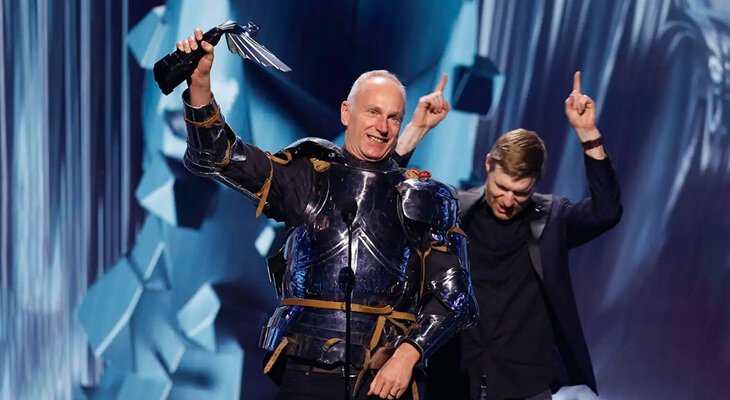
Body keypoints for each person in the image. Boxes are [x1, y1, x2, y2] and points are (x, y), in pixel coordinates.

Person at [176, 28, 478, 400]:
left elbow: (456, 297)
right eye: (373, 112)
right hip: (307, 372)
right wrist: (200, 84)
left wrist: (408, 354)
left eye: (393, 118)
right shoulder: (308, 176)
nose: (382, 127)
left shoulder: (424, 196)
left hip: (383, 378)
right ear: (346, 112)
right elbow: (218, 155)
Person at [395, 72, 622, 399]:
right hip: (453, 379)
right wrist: (417, 128)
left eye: (520, 192)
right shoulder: (453, 211)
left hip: (525, 384)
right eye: (501, 187)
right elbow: (387, 199)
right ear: (489, 164)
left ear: (536, 182)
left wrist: (588, 134)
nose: (507, 200)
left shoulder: (552, 220)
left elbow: (607, 211)